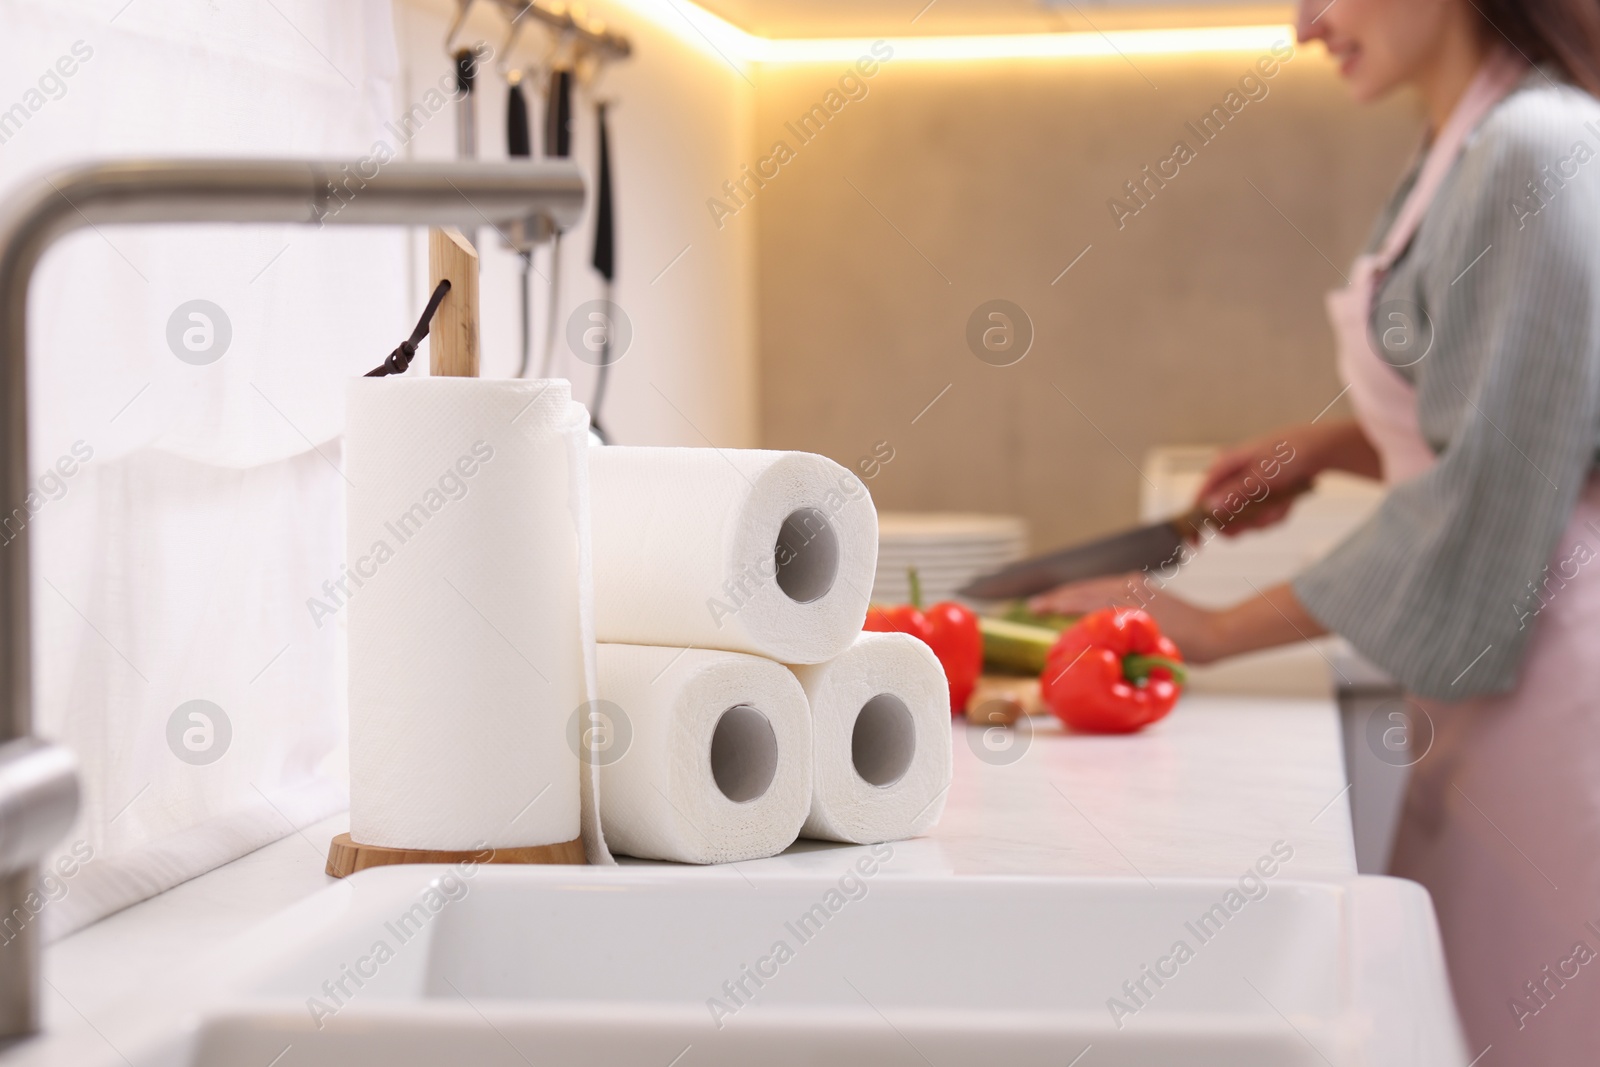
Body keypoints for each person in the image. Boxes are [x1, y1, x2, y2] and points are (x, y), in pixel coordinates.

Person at [1029, 0, 1600, 1061]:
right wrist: (1334, 449)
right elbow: (1502, 408)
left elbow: (1492, 495)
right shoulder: (1461, 145)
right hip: (1491, 693)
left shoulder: (1537, 146)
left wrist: (1208, 627)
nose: (1301, 25)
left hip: (1558, 684)